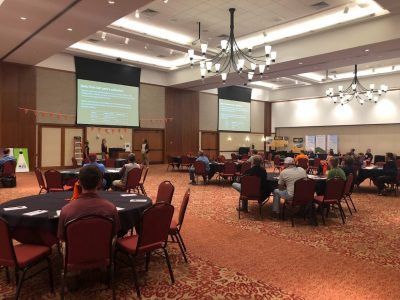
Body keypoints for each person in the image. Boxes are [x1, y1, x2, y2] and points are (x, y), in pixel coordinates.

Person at [57, 165, 120, 241]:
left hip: (75, 251)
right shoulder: (111, 209)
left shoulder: (66, 210)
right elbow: (115, 233)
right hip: (103, 251)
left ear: (79, 183)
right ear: (100, 183)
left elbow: (62, 237)